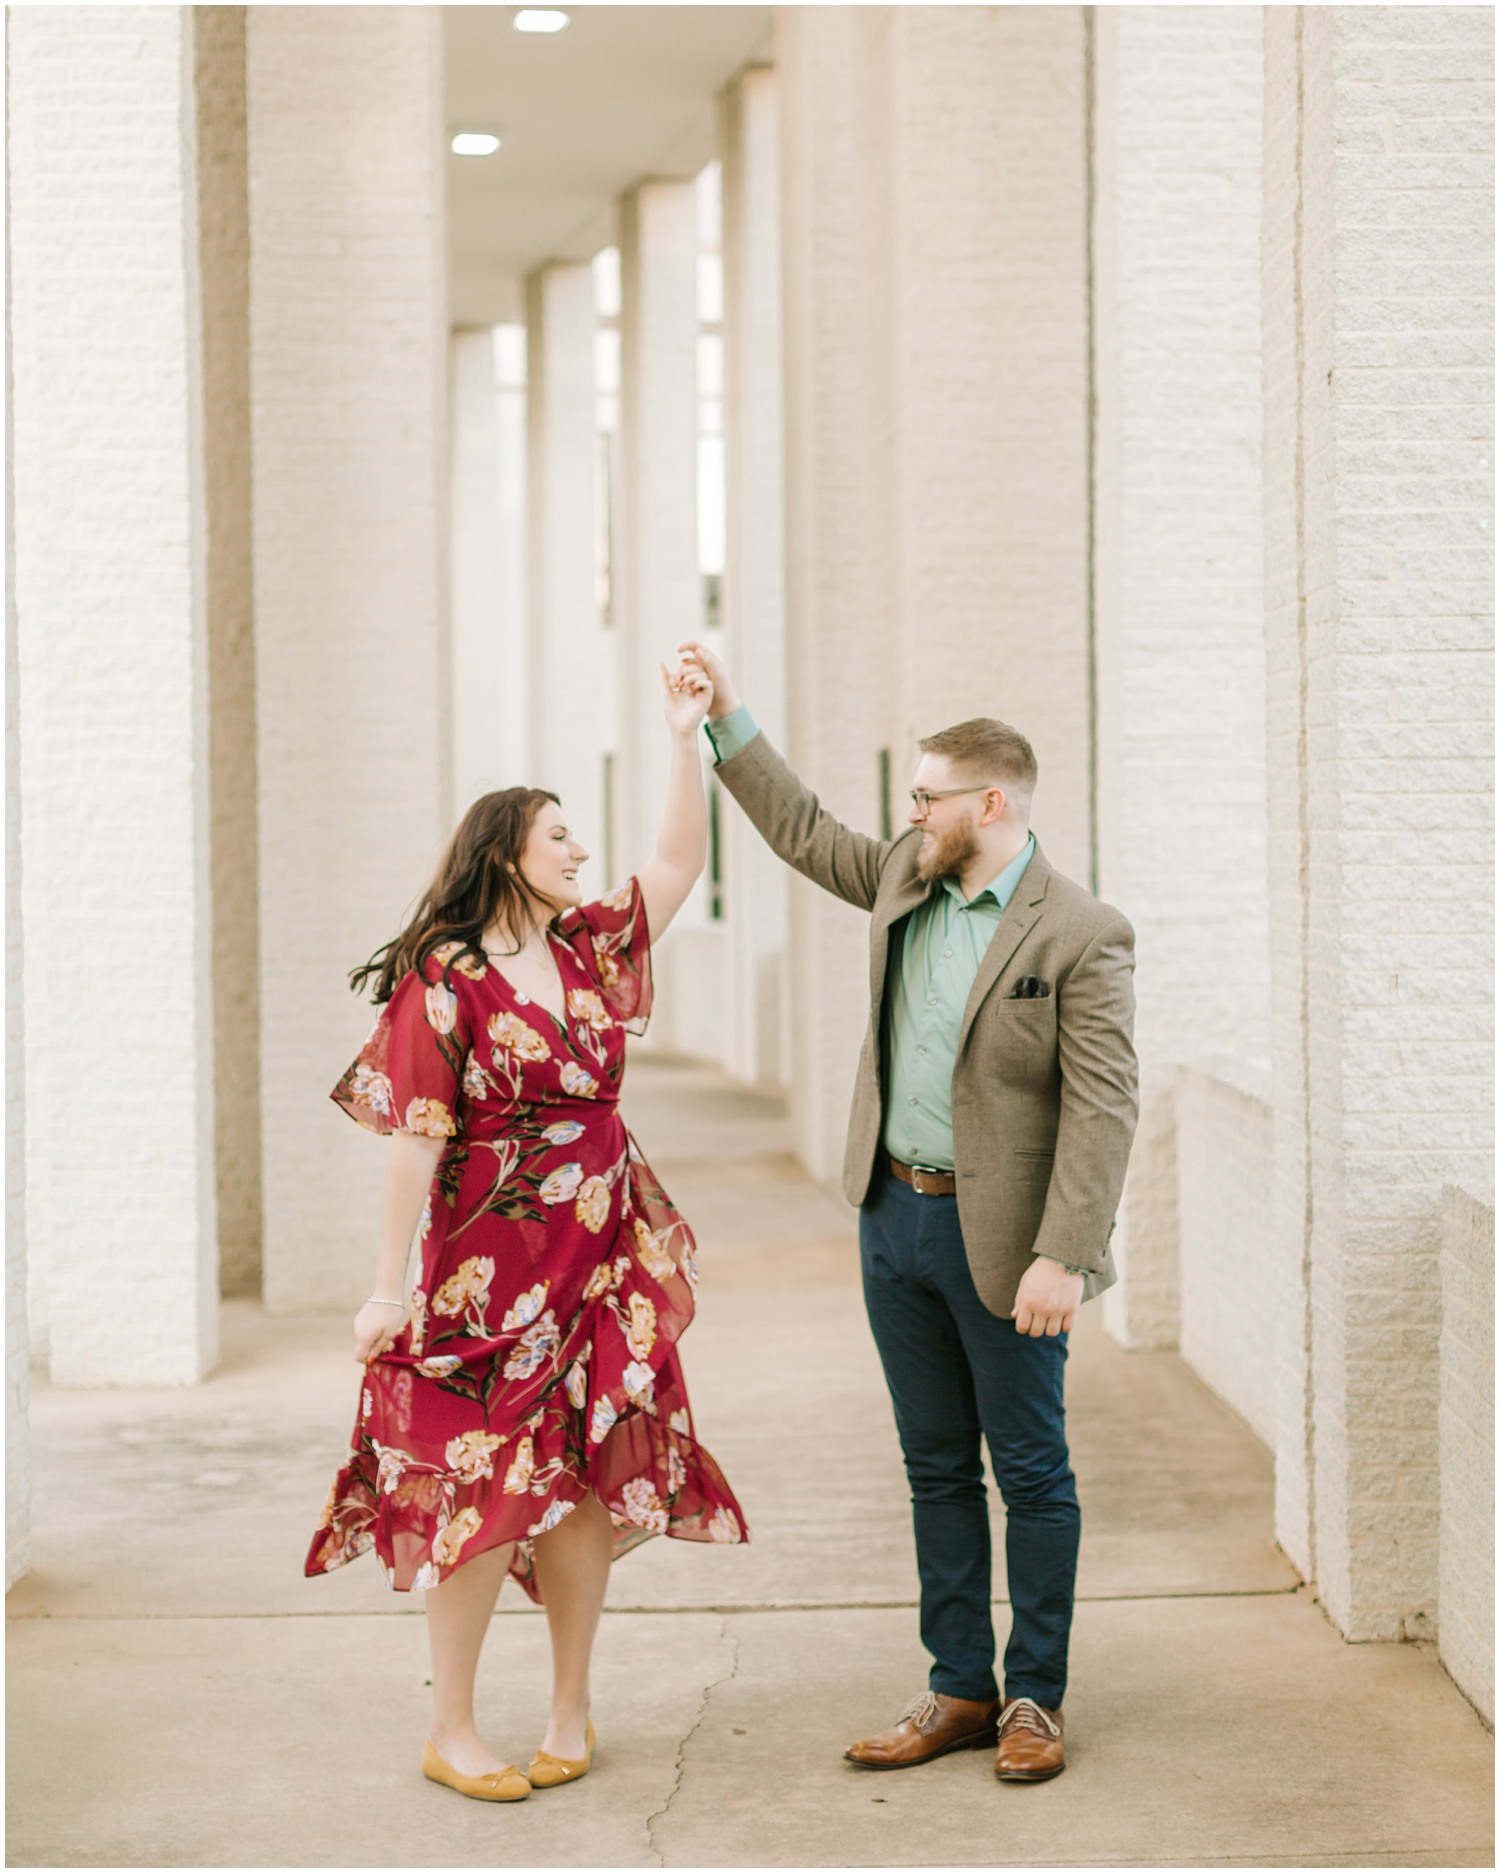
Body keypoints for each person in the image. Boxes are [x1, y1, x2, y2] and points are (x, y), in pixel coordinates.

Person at [680, 639, 1138, 1784]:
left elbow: (1105, 1106)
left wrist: (1065, 1255)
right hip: (894, 1219)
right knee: (935, 1466)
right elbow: (803, 829)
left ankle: (1036, 1695)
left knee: (1030, 1471)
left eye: (927, 795)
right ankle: (958, 1687)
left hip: (1010, 1248)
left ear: (989, 802)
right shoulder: (905, 877)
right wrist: (727, 714)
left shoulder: (1080, 930)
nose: (910, 811)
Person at [306, 660, 746, 1803]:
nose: (580, 852)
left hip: (599, 1255)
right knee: (482, 1490)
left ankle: (570, 1703)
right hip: (485, 1277)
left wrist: (685, 737)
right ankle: (449, 1725)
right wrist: (388, 1287)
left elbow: (680, 863)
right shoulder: (444, 980)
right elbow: (415, 1136)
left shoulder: (594, 947)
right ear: (508, 850)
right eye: (560, 836)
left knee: (582, 1480)